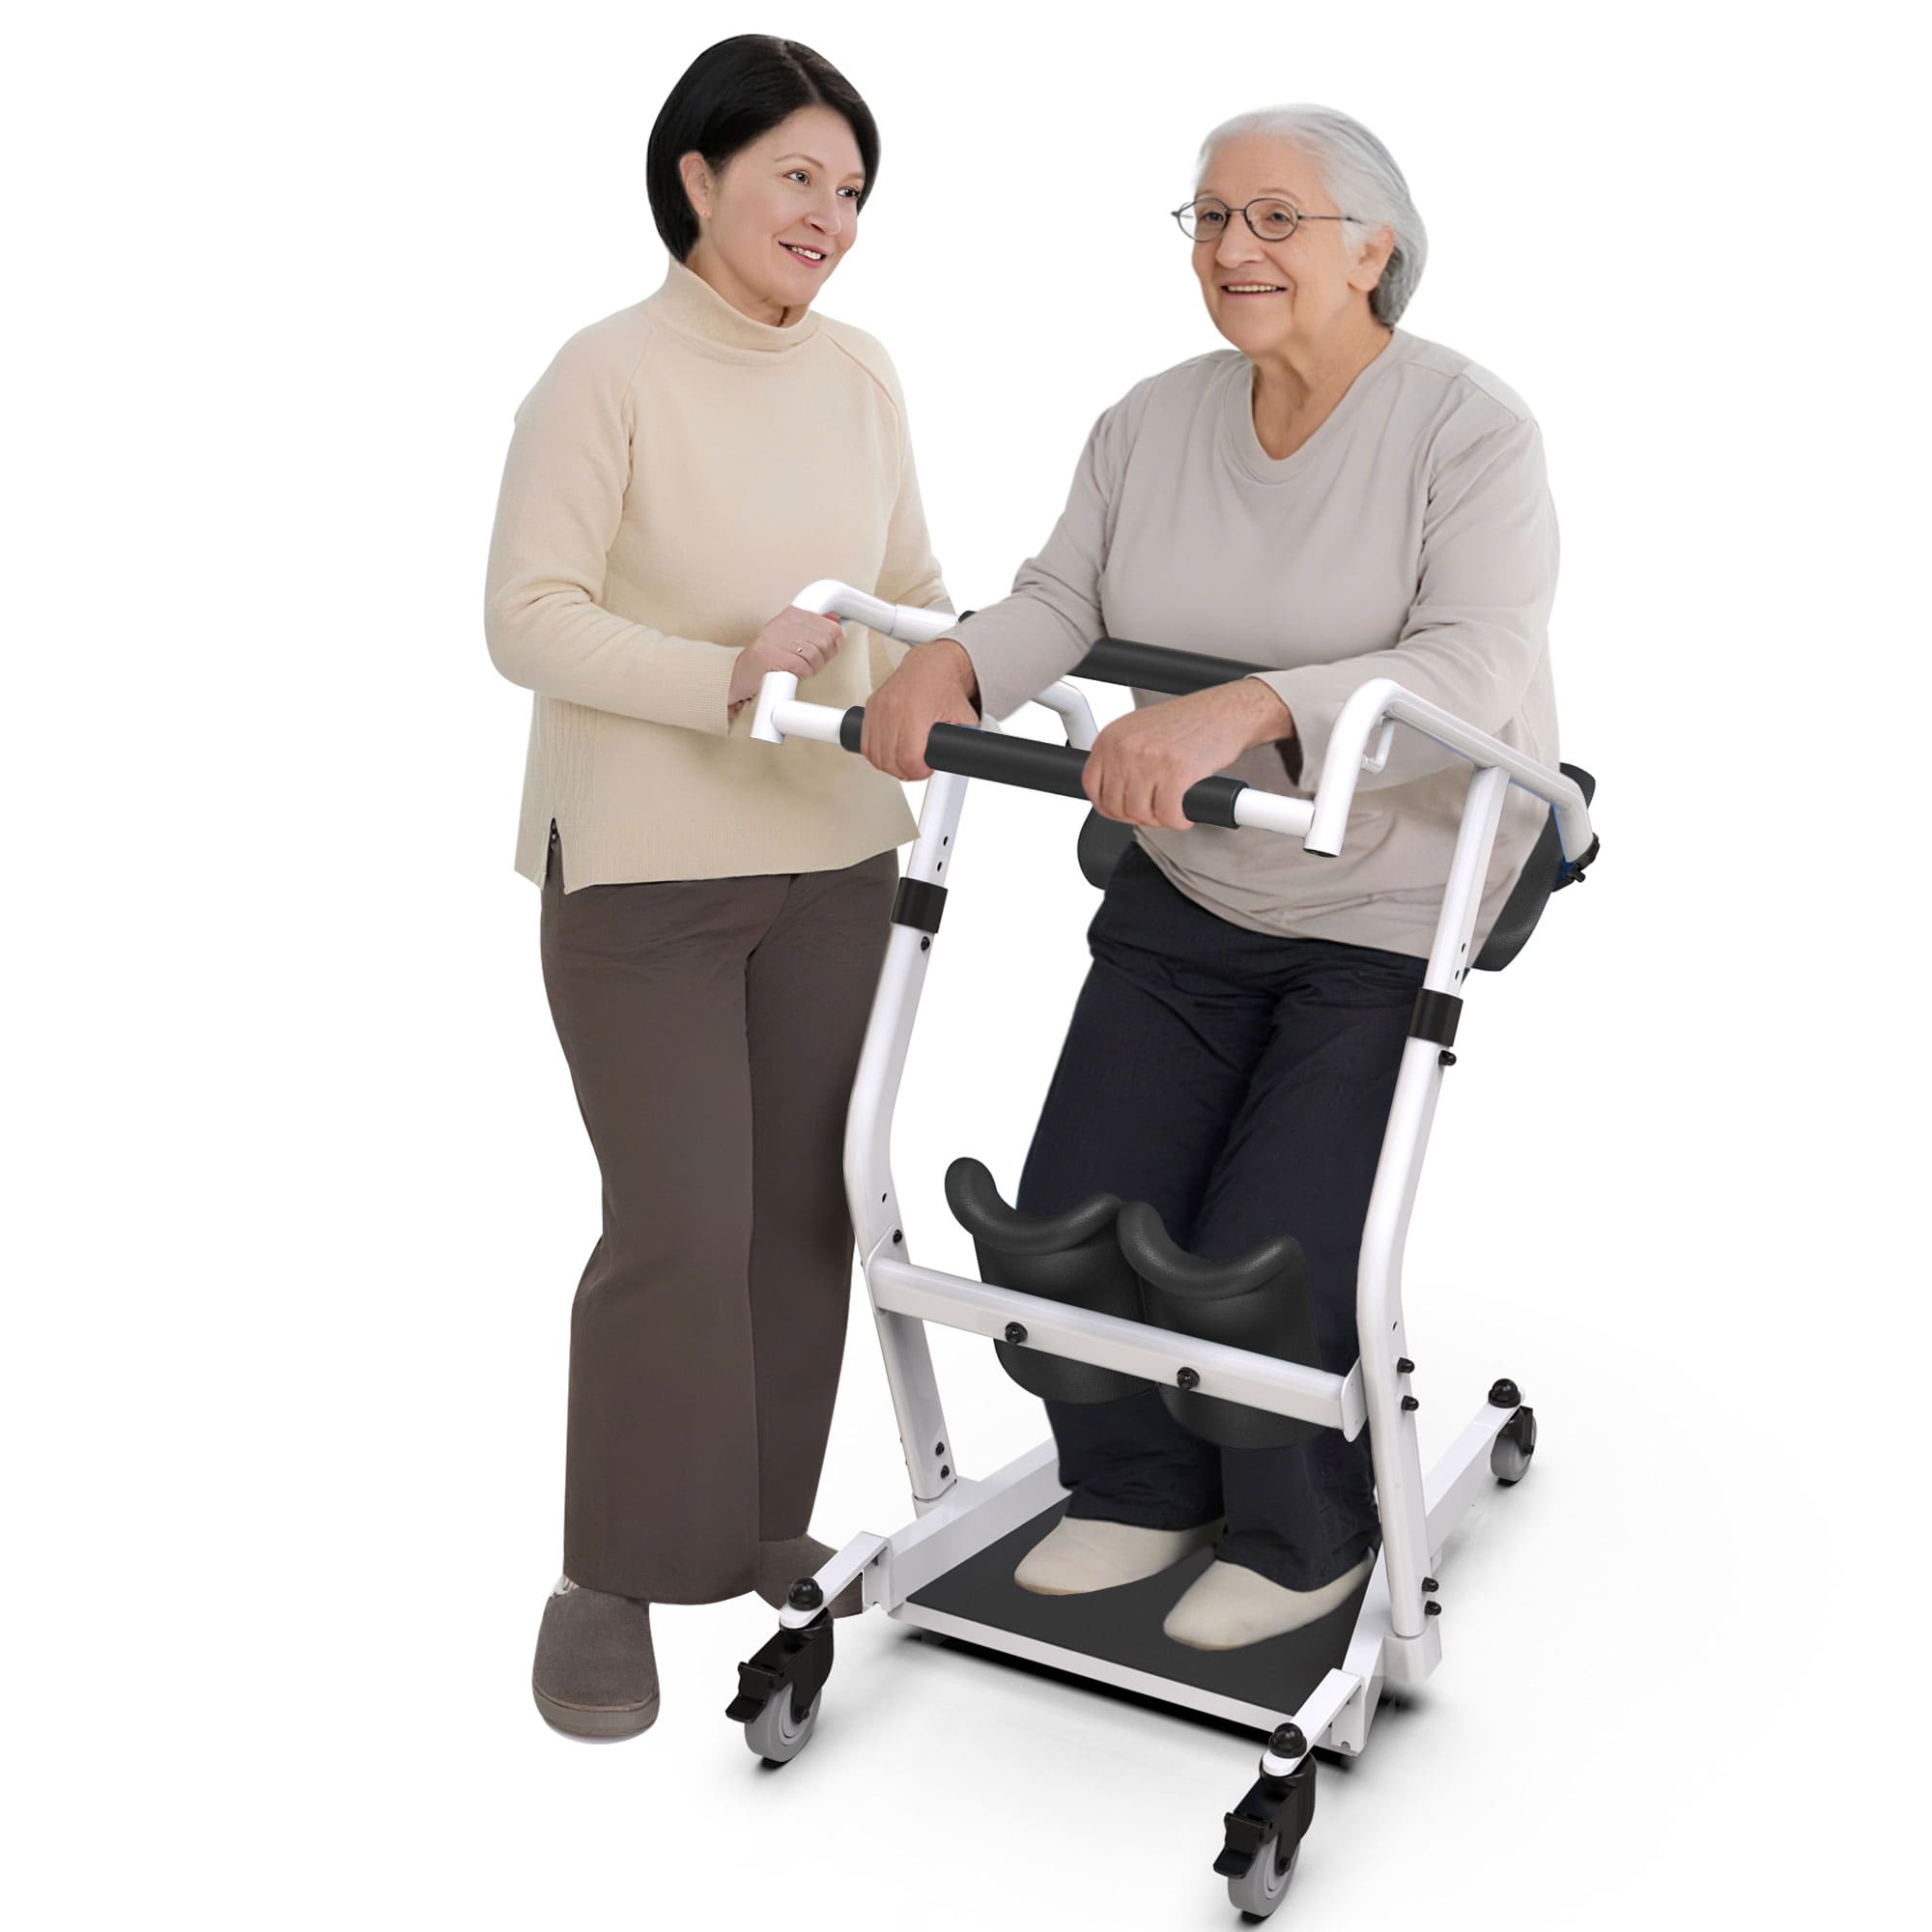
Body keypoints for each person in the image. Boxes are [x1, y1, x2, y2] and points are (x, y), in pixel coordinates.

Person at [863, 103, 1558, 1652]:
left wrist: (1243, 710)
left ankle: (1304, 1533)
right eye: (1211, 217)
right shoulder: (1150, 422)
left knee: (1261, 1263)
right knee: (1067, 1224)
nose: (1234, 247)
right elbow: (1062, 597)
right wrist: (958, 664)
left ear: (1374, 251)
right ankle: (1137, 1489)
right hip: (1196, 878)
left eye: (1276, 217)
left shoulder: (1469, 432)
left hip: (1390, 904)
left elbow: (1475, 661)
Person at [485, 35, 949, 1738]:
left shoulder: (863, 374)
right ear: (699, 175)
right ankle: (611, 1576)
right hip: (645, 866)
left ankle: (754, 1521)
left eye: (851, 190)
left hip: (832, 851)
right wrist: (723, 673)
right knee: (680, 1222)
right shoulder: (604, 374)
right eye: (796, 177)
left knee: (801, 1210)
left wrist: (955, 667)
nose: (829, 215)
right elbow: (524, 616)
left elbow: (910, 580)